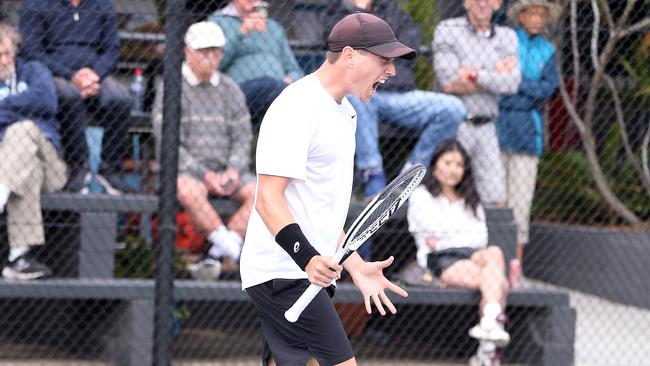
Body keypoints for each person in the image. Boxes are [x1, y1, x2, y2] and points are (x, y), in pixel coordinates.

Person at [241, 13, 414, 366]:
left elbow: (321, 213)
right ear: (350, 55)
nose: (391, 71)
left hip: (303, 273)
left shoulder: (346, 114)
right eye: (384, 60)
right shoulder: (296, 106)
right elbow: (268, 199)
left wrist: (356, 266)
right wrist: (306, 258)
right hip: (283, 273)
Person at [323, 0, 466, 198]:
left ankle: (410, 176)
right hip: (364, 94)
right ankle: (372, 175)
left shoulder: (390, 8)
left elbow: (411, 41)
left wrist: (374, 51)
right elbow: (336, 43)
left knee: (453, 108)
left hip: (399, 94)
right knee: (355, 97)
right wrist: (359, 12)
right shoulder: (338, 10)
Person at [152, 21, 255, 281]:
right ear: (188, 52)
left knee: (262, 191)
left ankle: (216, 253)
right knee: (187, 189)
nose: (210, 57)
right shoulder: (171, 87)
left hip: (227, 170)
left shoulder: (231, 89)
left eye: (216, 51)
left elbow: (243, 137)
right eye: (204, 51)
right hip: (189, 171)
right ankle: (232, 251)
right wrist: (205, 174)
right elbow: (168, 142)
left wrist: (233, 169)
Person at [406, 139, 510, 359]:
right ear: (435, 165)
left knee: (495, 253)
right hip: (440, 260)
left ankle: (489, 323)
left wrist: (447, 234)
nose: (453, 170)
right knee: (497, 281)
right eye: (448, 162)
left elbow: (481, 236)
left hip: (472, 254)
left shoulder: (470, 198)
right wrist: (457, 234)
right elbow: (429, 233)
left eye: (459, 165)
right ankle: (487, 350)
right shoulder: (421, 196)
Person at [19, 0, 132, 193]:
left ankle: (110, 169)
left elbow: (112, 49)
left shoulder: (102, 4)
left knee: (120, 98)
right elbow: (32, 51)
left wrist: (95, 75)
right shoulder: (36, 3)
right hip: (53, 75)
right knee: (68, 96)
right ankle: (78, 167)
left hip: (95, 76)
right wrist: (70, 76)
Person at [496, 0, 561, 285]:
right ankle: (493, 262)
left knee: (521, 203)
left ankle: (515, 266)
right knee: (496, 199)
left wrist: (516, 81)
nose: (536, 18)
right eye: (532, 13)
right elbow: (499, 83)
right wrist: (521, 85)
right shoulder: (506, 41)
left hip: (527, 131)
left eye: (541, 14)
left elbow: (546, 90)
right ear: (522, 16)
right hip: (499, 126)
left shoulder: (549, 51)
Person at [433, 0, 521, 207]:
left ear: (498, 3)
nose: (482, 3)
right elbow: (449, 83)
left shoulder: (507, 37)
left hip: (488, 127)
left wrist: (474, 74)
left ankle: (489, 240)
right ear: (466, 2)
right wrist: (494, 75)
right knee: (448, 191)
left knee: (495, 198)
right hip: (455, 125)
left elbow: (512, 83)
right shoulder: (448, 29)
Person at [0, 22, 67, 280]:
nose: (4, 60)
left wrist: (5, 109)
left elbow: (46, 101)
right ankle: (19, 257)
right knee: (24, 164)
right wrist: (22, 107)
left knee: (23, 130)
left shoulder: (34, 71)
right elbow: (34, 102)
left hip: (50, 164)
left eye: (7, 52)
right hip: (19, 167)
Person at [208, 0, 305, 126]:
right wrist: (242, 31)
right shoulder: (218, 21)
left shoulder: (274, 27)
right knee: (270, 87)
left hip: (278, 89)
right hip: (239, 90)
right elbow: (215, 64)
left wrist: (289, 81)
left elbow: (296, 71)